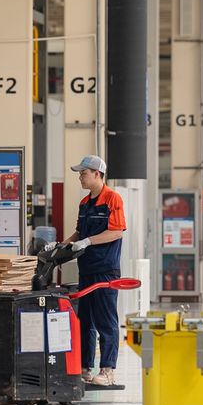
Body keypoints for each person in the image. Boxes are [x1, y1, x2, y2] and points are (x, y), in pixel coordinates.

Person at [46, 155, 126, 387]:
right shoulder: (84, 203)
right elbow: (79, 233)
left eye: (83, 173)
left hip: (105, 271)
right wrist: (61, 245)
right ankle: (84, 368)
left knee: (106, 321)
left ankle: (108, 371)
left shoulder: (112, 198)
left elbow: (116, 231)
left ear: (97, 174)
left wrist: (88, 241)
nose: (80, 177)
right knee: (85, 321)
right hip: (87, 269)